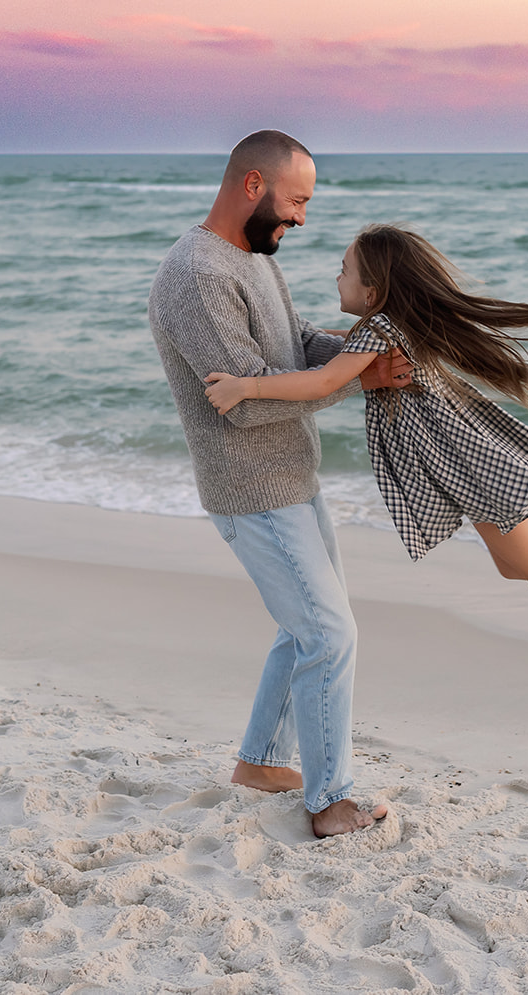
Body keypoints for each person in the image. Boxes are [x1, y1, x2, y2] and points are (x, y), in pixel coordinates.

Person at [204, 224, 528, 649]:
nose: (337, 276)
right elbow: (336, 367)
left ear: (374, 291)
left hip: (467, 459)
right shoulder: (389, 325)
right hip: (461, 458)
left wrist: (248, 384)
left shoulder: (378, 327)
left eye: (345, 269)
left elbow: (325, 380)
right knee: (515, 568)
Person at [148, 131, 411, 838]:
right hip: (252, 486)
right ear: (254, 186)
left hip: (293, 475)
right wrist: (350, 378)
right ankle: (329, 800)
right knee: (328, 634)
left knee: (306, 632)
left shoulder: (251, 258)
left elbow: (294, 342)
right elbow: (251, 398)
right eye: (296, 201)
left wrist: (364, 359)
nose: (302, 218)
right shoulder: (199, 274)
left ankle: (262, 762)